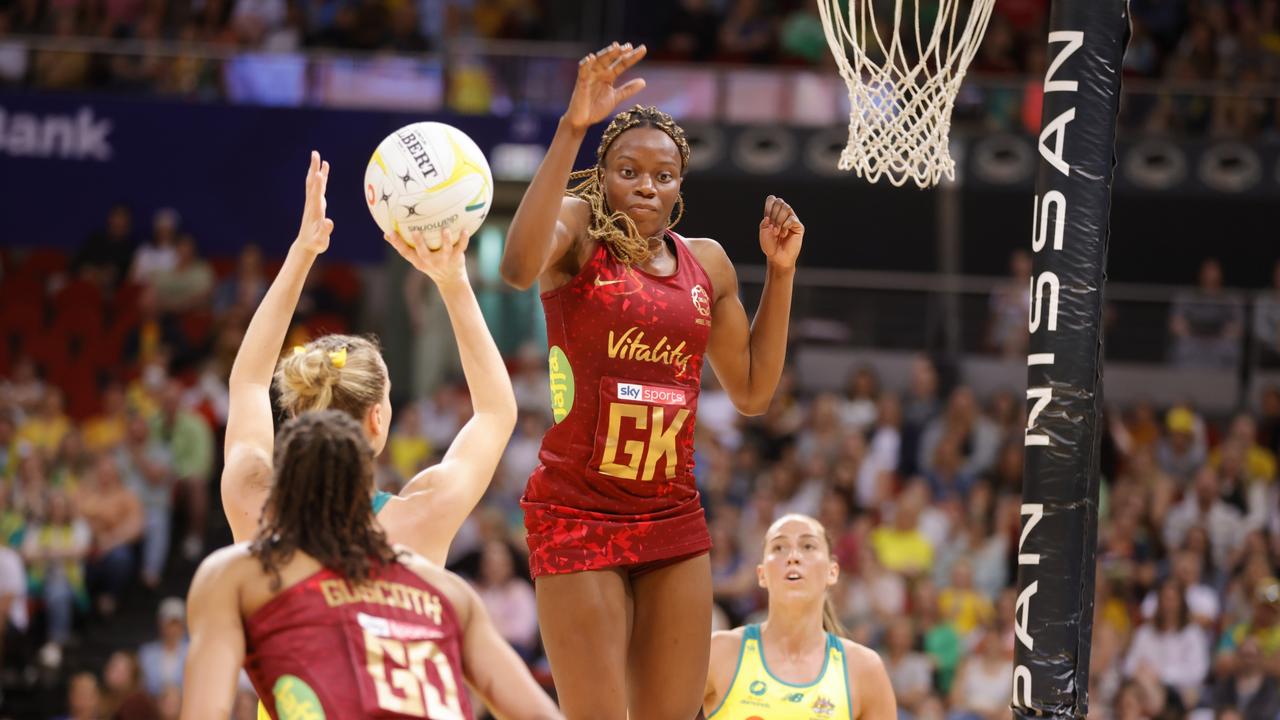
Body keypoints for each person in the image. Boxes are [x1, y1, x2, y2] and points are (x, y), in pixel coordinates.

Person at [498, 42, 804, 720]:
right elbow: (517, 267)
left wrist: (780, 274)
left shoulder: (710, 265)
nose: (645, 185)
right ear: (602, 176)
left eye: (662, 175)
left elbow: (753, 392)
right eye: (628, 170)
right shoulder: (577, 234)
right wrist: (571, 129)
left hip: (670, 516)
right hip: (578, 511)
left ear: (679, 187)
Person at [219, 150, 516, 565]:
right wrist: (453, 280)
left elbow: (248, 381)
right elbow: (496, 412)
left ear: (301, 418)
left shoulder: (254, 505)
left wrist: (303, 251)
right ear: (377, 419)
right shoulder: (421, 516)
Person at [181, 411, 561, 720]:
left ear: (279, 499)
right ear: (370, 497)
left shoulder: (240, 573)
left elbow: (204, 712)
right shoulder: (447, 589)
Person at [703, 514, 896, 720]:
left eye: (808, 546)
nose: (793, 556)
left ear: (832, 572)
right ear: (761, 575)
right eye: (779, 547)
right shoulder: (718, 652)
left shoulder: (864, 668)